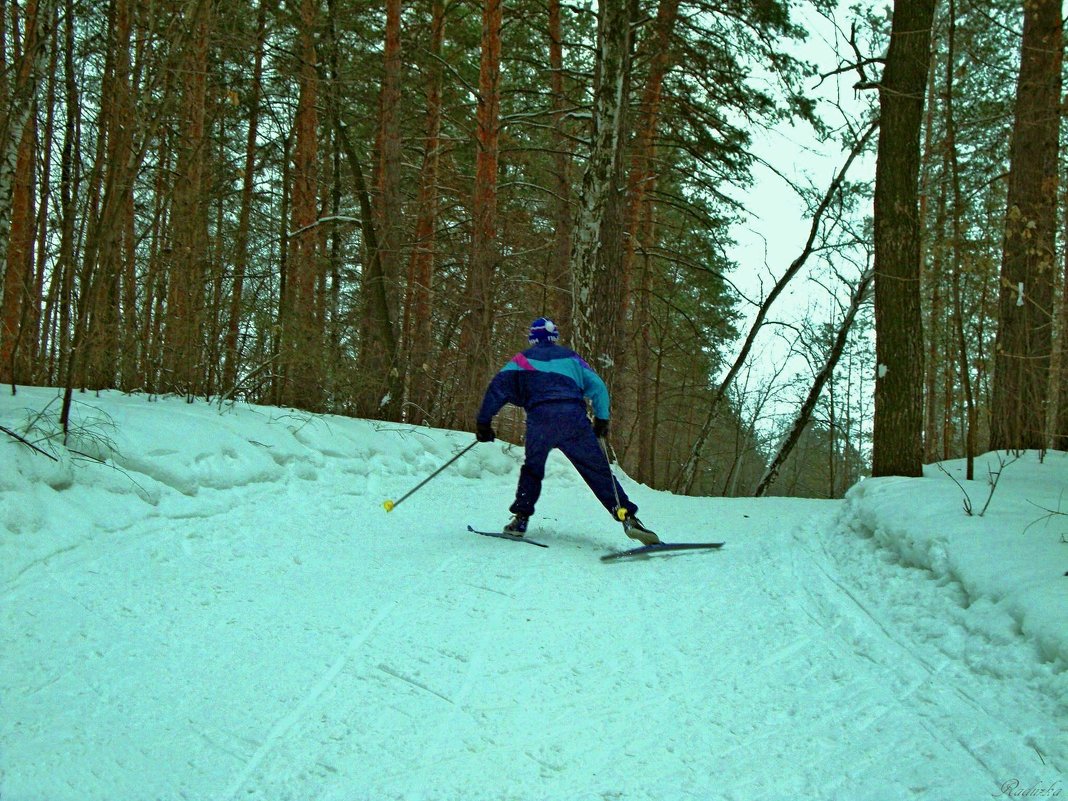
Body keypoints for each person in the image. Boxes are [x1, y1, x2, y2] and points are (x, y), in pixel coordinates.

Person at [475, 317, 659, 545]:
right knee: (598, 470)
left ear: (533, 337)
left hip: (541, 419)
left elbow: (498, 387)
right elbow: (599, 387)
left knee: (532, 469)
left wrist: (484, 422)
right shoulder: (572, 358)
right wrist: (602, 419)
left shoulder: (522, 360)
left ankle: (520, 520)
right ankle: (628, 517)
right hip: (573, 420)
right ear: (554, 336)